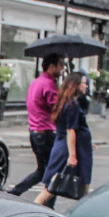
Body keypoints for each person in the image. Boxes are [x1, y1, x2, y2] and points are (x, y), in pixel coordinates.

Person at [35, 72, 93, 209]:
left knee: (53, 185)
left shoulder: (64, 102)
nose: (86, 86)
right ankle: (32, 210)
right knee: (55, 187)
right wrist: (72, 155)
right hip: (70, 151)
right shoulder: (73, 105)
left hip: (66, 147)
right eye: (84, 83)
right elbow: (71, 130)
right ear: (76, 85)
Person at [8, 54, 63, 196]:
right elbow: (57, 108)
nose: (62, 69)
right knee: (52, 171)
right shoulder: (49, 84)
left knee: (42, 170)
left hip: (35, 131)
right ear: (52, 67)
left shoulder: (36, 82)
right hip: (46, 133)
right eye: (60, 65)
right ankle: (47, 205)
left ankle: (15, 192)